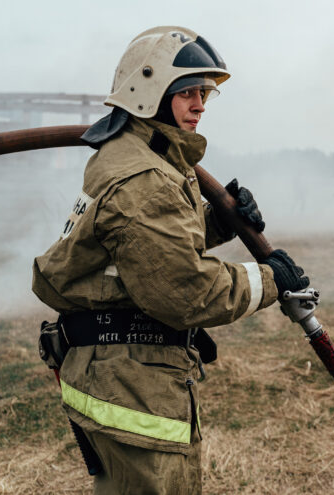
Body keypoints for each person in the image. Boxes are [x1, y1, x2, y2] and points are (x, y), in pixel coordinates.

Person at [31, 26, 309, 494]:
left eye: (204, 93)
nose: (200, 104)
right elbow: (186, 291)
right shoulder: (144, 177)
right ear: (147, 94)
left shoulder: (132, 158)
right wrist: (270, 279)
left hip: (114, 370)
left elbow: (144, 251)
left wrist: (219, 221)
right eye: (187, 92)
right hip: (131, 384)